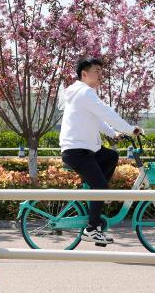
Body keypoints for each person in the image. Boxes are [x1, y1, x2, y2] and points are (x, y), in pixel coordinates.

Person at [59, 57, 143, 246]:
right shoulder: (84, 92)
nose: (100, 75)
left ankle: (98, 194)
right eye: (96, 71)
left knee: (111, 156)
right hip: (77, 151)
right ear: (84, 74)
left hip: (83, 149)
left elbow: (98, 119)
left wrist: (114, 134)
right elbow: (107, 113)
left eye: (101, 71)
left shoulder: (81, 93)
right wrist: (130, 129)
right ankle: (91, 229)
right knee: (100, 186)